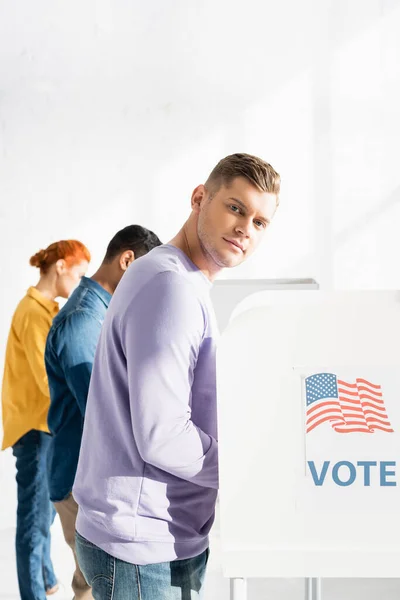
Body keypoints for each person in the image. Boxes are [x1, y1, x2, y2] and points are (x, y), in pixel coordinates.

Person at [73, 153, 281, 599]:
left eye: (260, 222)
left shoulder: (179, 280)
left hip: (154, 537)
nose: (246, 227)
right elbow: (162, 434)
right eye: (235, 207)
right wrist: (247, 467)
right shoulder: (171, 287)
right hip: (142, 549)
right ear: (200, 198)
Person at [44, 225, 162, 600]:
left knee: (91, 586)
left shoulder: (105, 315)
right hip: (82, 483)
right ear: (127, 261)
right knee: (103, 586)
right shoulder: (82, 320)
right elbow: (103, 409)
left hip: (92, 479)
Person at [1, 240, 90, 600]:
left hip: (42, 428)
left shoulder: (44, 310)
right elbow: (47, 377)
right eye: (81, 273)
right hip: (37, 430)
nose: (82, 282)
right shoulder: (35, 313)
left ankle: (48, 580)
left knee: (45, 516)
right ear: (61, 267)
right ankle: (34, 594)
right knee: (35, 524)